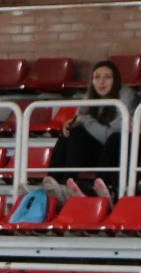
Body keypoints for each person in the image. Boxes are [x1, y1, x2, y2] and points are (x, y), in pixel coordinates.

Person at [48, 60, 128, 198]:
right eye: (97, 77)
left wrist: (85, 120)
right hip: (91, 153)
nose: (102, 82)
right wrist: (69, 127)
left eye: (107, 77)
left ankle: (66, 184)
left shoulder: (126, 97)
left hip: (116, 153)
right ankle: (52, 184)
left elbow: (110, 136)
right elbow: (80, 126)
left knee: (81, 132)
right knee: (71, 134)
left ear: (116, 80)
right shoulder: (88, 99)